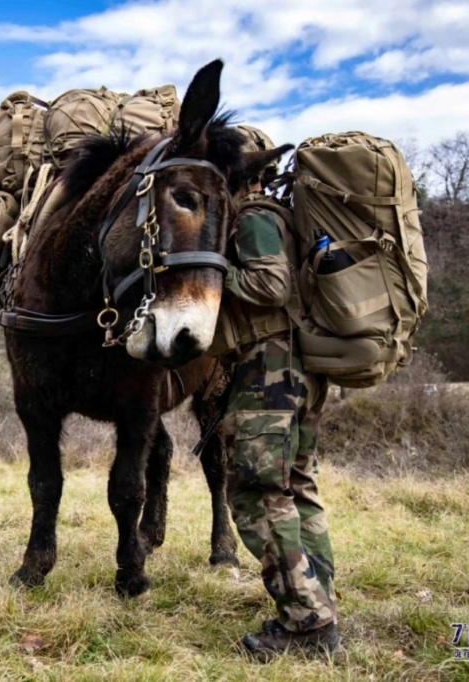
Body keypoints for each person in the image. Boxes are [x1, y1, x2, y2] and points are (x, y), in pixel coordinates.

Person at [211, 125, 341, 658]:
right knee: (297, 486)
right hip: (299, 370)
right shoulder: (284, 217)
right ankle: (318, 603)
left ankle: (305, 625)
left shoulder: (254, 217)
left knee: (257, 492)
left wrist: (212, 274)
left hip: (270, 371)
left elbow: (270, 285)